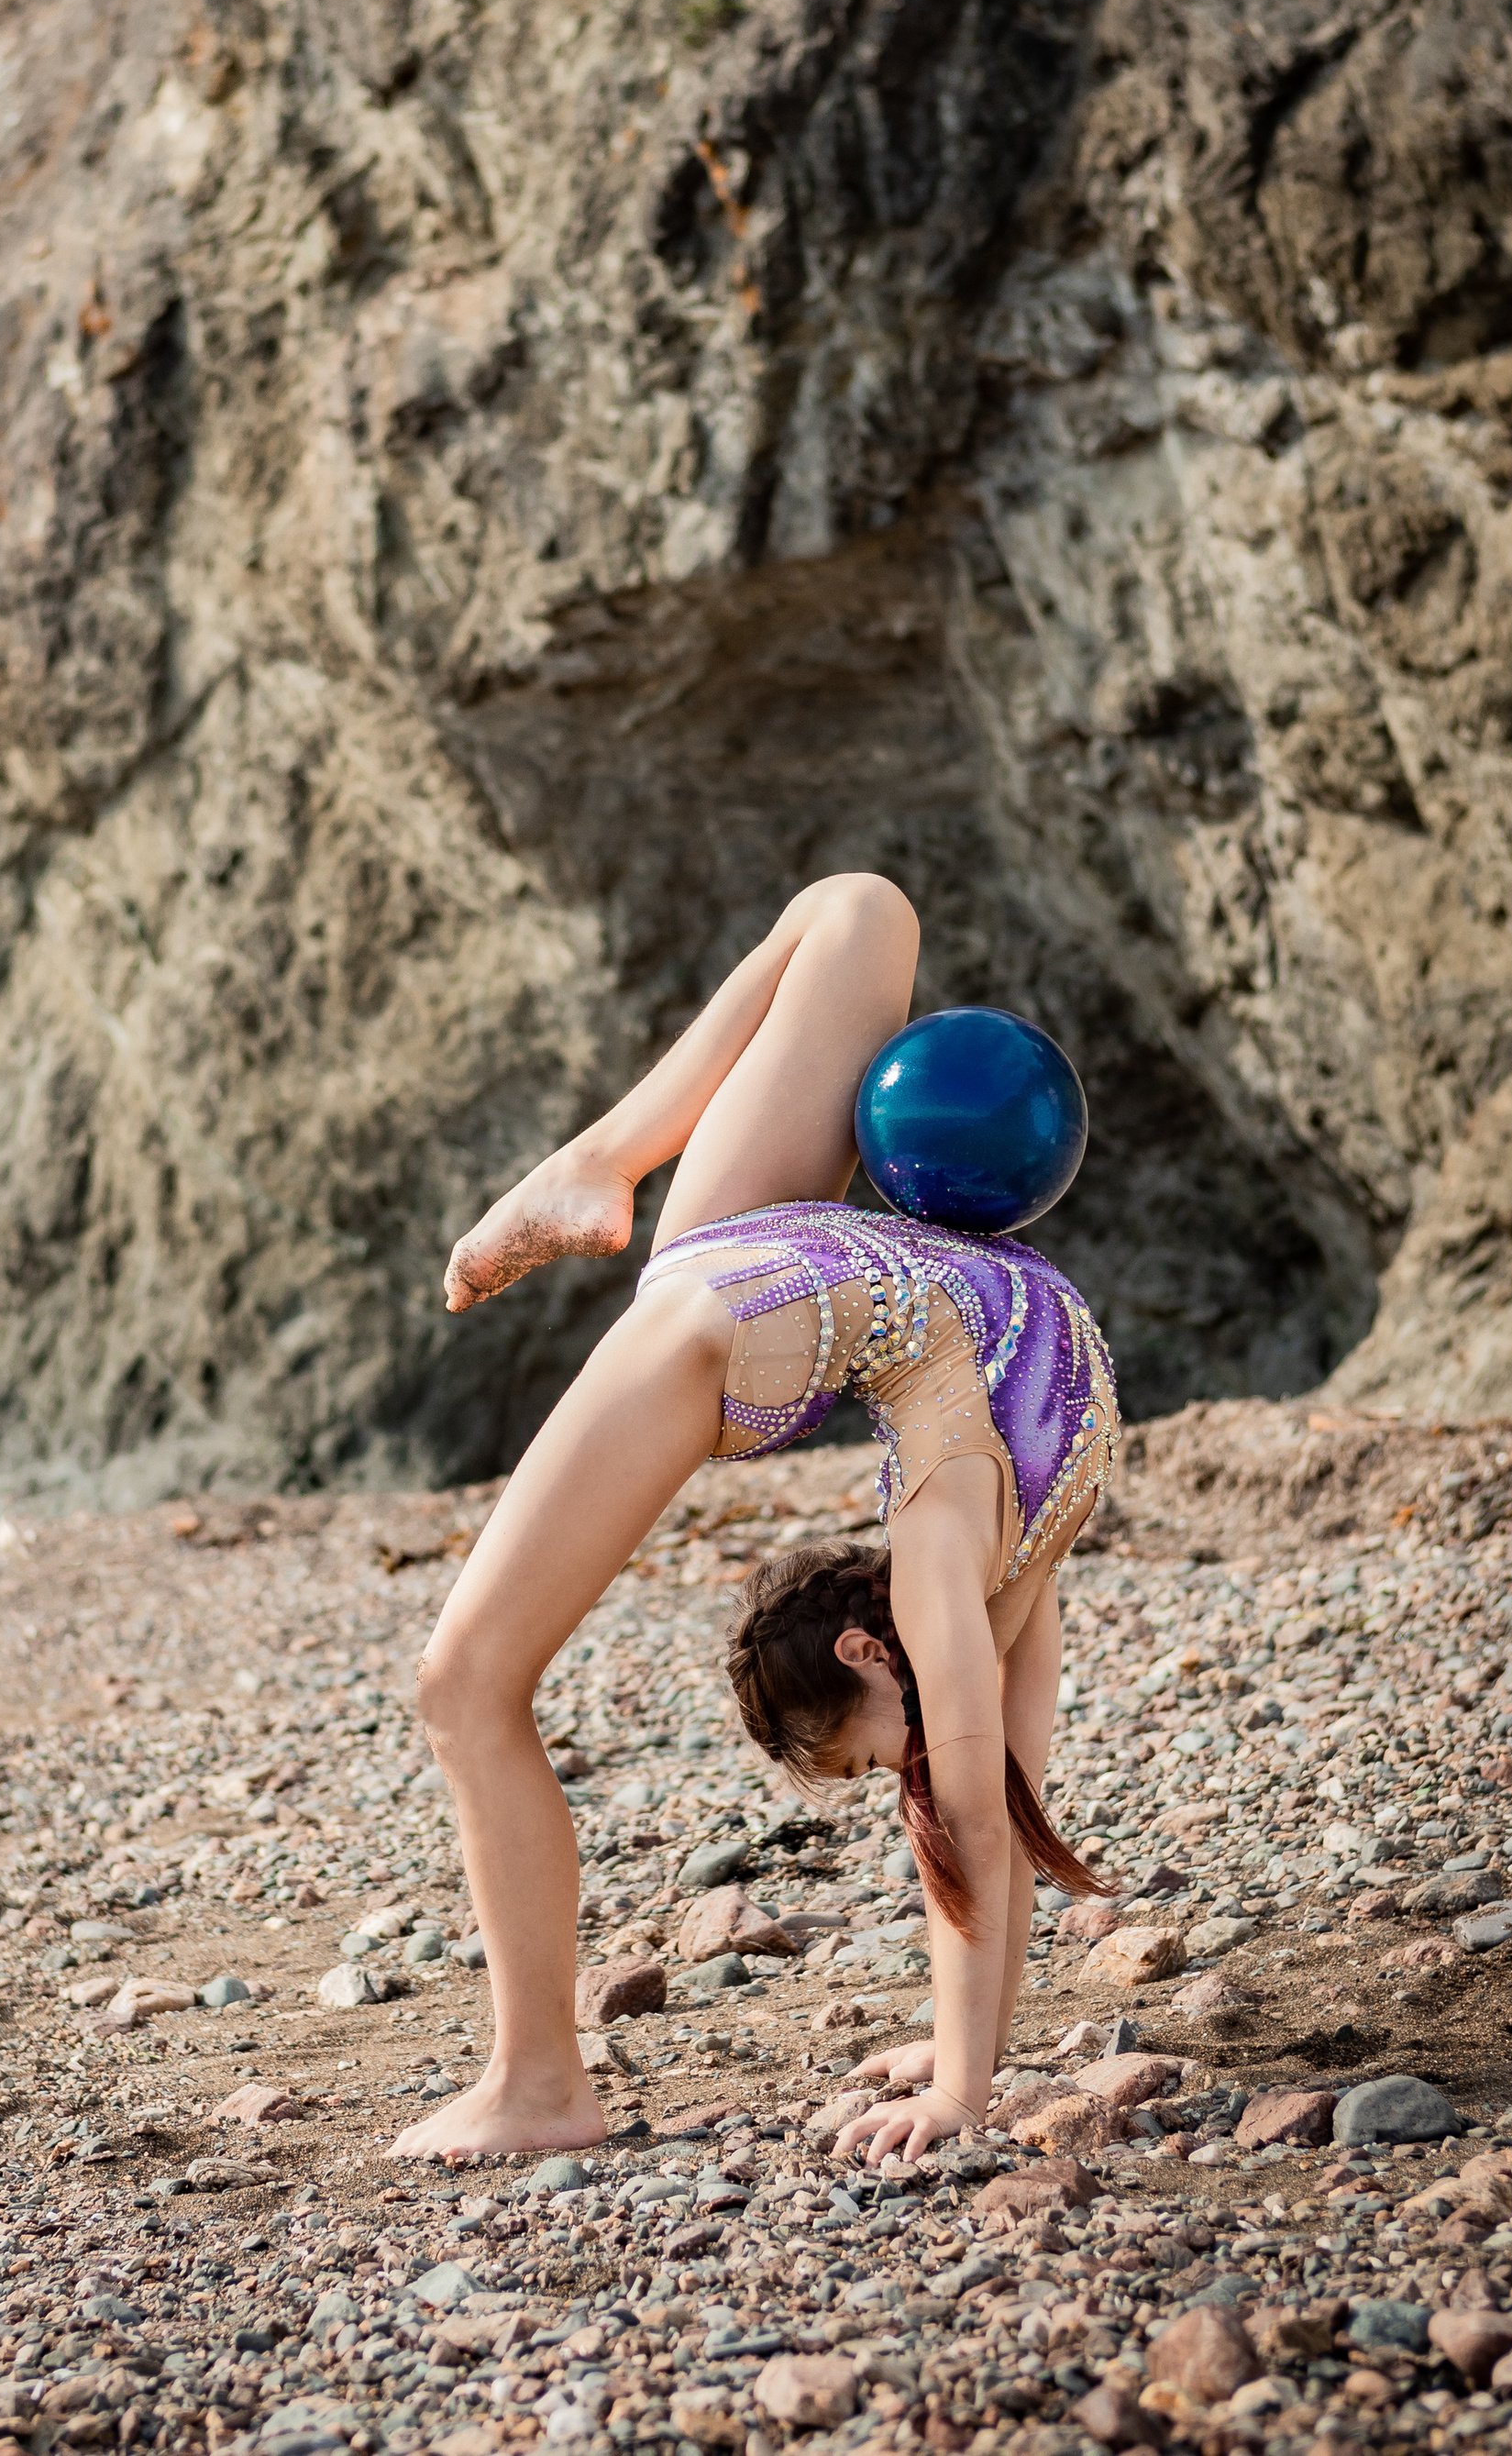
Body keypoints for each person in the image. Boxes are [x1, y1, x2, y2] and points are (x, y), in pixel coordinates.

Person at [394, 873, 1118, 2167]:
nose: (892, 1772)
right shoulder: (955, 1563)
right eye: (865, 1760)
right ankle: (540, 2079)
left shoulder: (1000, 1544)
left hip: (792, 1262)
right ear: (863, 1649)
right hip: (722, 1319)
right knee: (461, 1685)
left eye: (854, 1763)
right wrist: (962, 2084)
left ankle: (604, 1158)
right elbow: (973, 1809)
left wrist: (965, 2078)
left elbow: (987, 1804)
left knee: (867, 910)